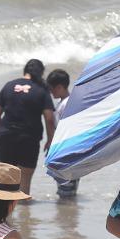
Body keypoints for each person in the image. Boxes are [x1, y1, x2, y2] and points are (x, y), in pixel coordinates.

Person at [0, 59, 56, 195]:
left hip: (6, 136)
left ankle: (5, 208)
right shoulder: (41, 89)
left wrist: (0, 133)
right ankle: (24, 207)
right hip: (29, 138)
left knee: (7, 180)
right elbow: (49, 118)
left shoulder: (9, 86)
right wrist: (50, 139)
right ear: (41, 73)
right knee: (24, 181)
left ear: (25, 71)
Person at [45, 69, 78, 199]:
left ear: (59, 87)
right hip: (69, 150)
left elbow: (64, 131)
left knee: (66, 189)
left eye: (51, 89)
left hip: (66, 151)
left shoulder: (66, 104)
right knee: (67, 188)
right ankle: (68, 209)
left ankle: (67, 210)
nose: (50, 92)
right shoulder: (65, 102)